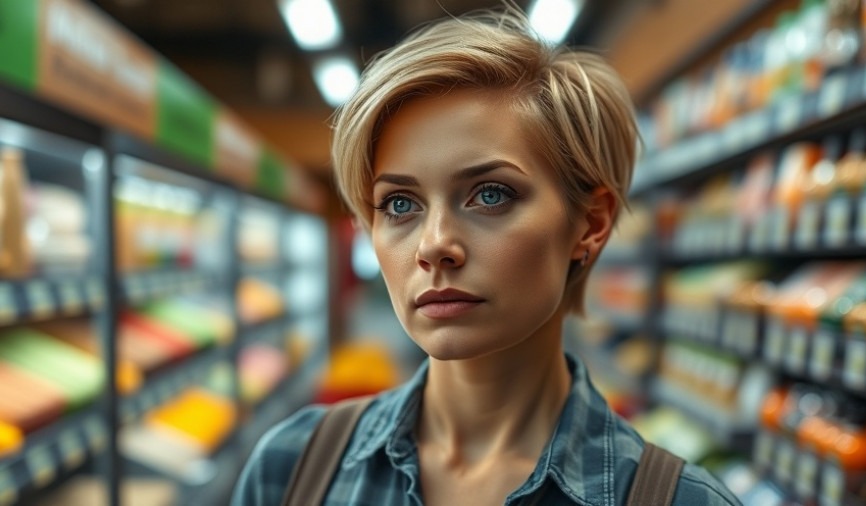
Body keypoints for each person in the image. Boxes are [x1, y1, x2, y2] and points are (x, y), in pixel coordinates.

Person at [232, 7, 741, 506]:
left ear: (590, 222)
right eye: (400, 204)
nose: (434, 245)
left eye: (491, 194)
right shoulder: (290, 469)